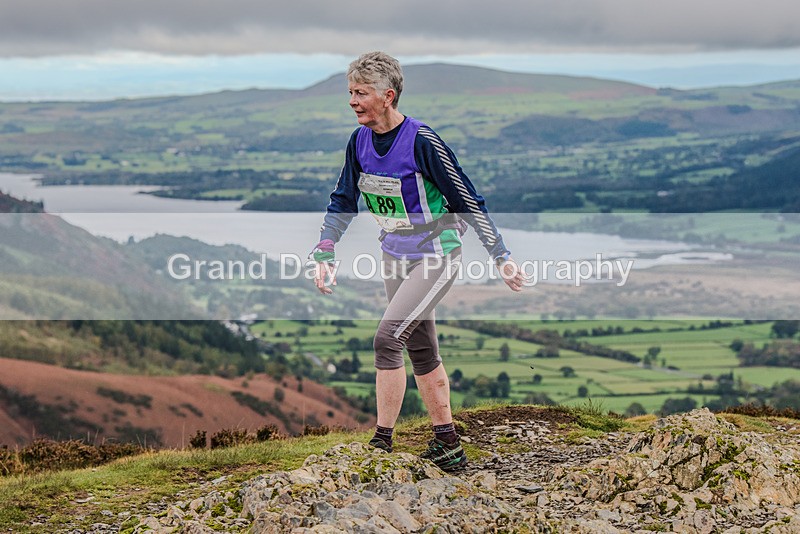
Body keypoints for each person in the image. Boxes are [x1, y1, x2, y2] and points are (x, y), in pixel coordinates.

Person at [311, 51, 523, 471]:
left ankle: (381, 442)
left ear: (387, 96)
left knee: (388, 339)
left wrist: (500, 254)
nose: (352, 101)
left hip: (437, 252)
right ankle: (449, 445)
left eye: (361, 93)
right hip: (393, 253)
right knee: (422, 348)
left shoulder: (423, 141)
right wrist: (325, 246)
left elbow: (466, 199)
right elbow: (343, 199)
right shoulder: (359, 141)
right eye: (350, 92)